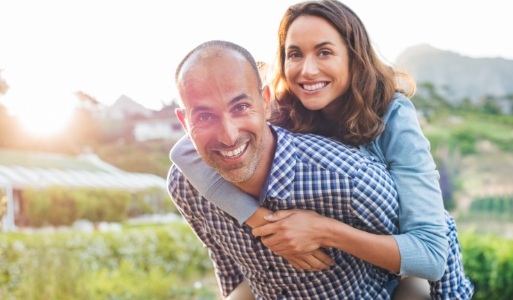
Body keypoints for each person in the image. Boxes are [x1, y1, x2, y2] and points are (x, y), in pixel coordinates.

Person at [171, 0, 474, 299]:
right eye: (295, 54)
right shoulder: (279, 108)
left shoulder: (393, 116)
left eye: (324, 52)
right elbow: (184, 152)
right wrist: (257, 219)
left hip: (404, 264)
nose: (307, 70)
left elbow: (431, 255)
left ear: (353, 57)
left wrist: (322, 230)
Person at [169, 39, 411, 299]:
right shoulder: (185, 186)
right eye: (205, 116)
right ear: (184, 122)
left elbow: (429, 248)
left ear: (265, 101)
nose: (228, 136)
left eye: (240, 107)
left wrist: (328, 231)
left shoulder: (349, 179)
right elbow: (229, 269)